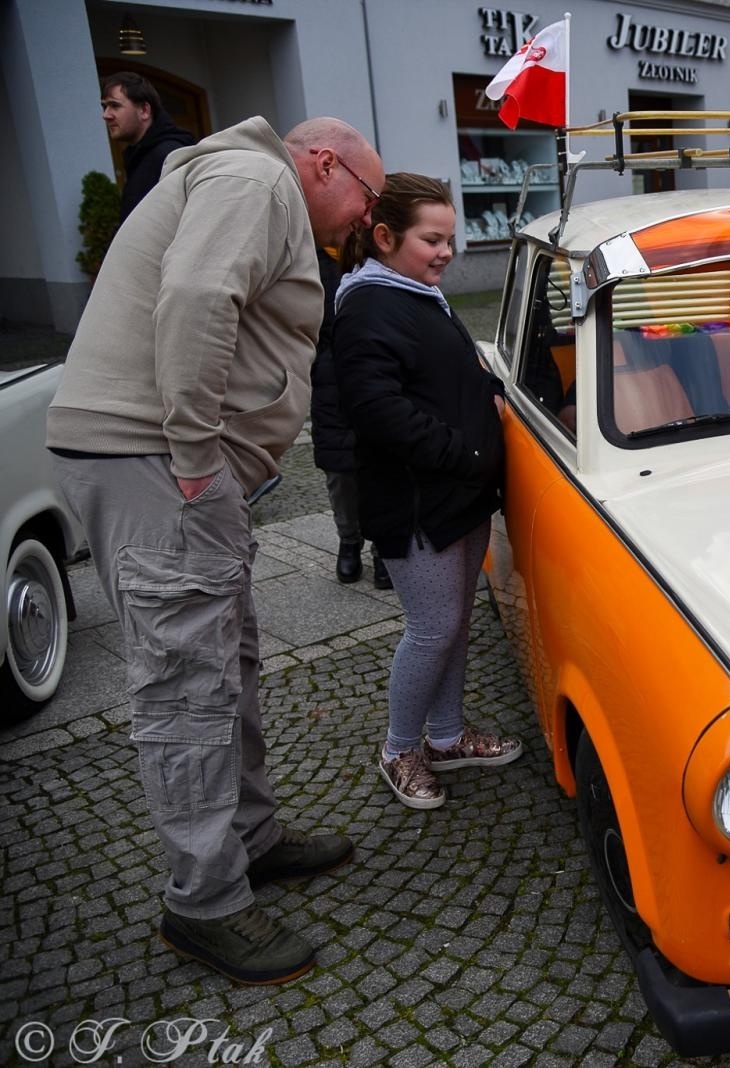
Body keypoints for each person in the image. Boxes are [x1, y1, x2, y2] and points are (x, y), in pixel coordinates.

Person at [48, 115, 384, 985]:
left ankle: (250, 839)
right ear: (324, 163)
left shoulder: (254, 182)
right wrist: (198, 459)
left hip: (166, 464)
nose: (365, 219)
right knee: (188, 684)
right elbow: (197, 299)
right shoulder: (258, 181)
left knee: (224, 660)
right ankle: (204, 904)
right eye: (367, 197)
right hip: (156, 463)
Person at [331, 172, 519, 810]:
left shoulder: (415, 293)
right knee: (433, 627)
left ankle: (444, 735)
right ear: (385, 237)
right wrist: (466, 453)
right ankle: (399, 749)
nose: (446, 252)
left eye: (451, 239)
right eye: (431, 240)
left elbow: (444, 376)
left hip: (456, 494)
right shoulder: (366, 305)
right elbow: (378, 411)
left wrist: (488, 394)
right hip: (416, 503)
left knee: (458, 623)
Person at [309, 246, 390, 589]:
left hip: (377, 366)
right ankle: (349, 539)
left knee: (384, 462)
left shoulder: (376, 251)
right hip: (330, 374)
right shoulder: (309, 253)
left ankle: (384, 548)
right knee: (340, 469)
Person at [100, 71, 197, 223]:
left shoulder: (169, 155)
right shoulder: (139, 156)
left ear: (144, 110)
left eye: (114, 105)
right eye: (104, 107)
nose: (106, 115)